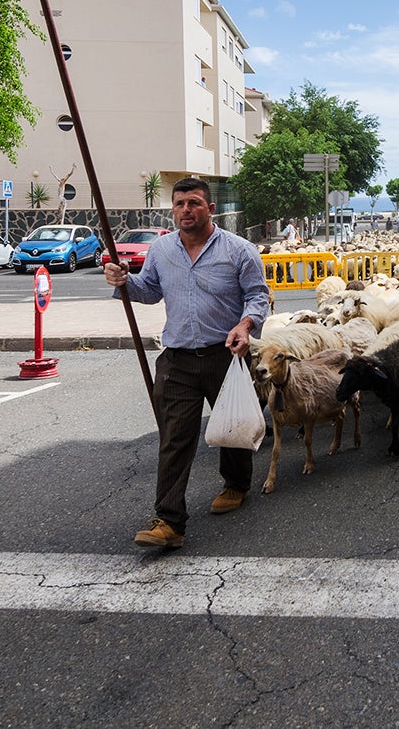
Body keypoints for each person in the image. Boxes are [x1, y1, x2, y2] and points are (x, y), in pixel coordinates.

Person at [103, 177, 271, 549]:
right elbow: (148, 291)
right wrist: (123, 281)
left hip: (226, 354)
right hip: (177, 360)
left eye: (194, 203)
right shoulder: (162, 251)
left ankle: (237, 483)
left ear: (211, 209)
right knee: (175, 438)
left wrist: (245, 326)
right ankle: (169, 520)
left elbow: (258, 297)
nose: (185, 210)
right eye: (179, 204)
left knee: (234, 428)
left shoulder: (239, 250)